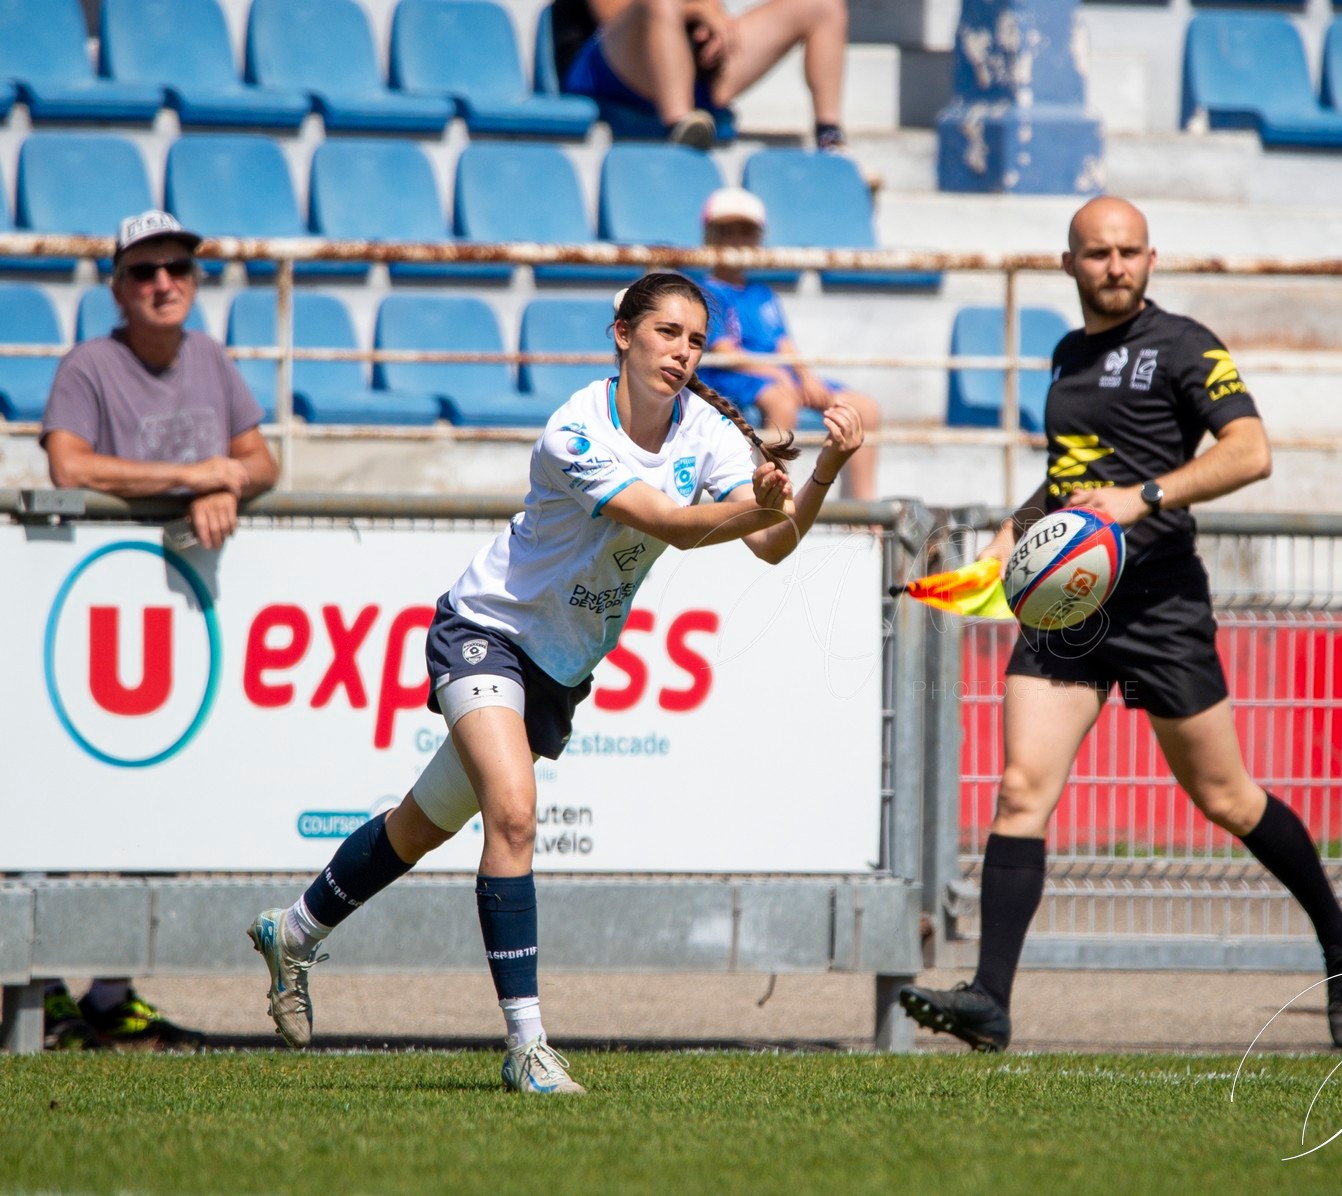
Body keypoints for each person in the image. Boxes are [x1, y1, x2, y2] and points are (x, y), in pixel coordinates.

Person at [247, 273, 863, 1095]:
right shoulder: (576, 428)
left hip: (557, 668)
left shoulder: (706, 432)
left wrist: (823, 472)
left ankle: (291, 932)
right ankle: (527, 1046)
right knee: (513, 814)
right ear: (622, 334)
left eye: (694, 340)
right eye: (666, 333)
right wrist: (759, 503)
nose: (681, 352)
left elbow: (776, 547)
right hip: (485, 632)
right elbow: (676, 529)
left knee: (416, 829)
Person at [897, 198, 1342, 1053]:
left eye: (1128, 253)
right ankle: (991, 1000)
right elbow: (1069, 481)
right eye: (1096, 253)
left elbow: (1250, 451)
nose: (1113, 266)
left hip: (1161, 603)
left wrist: (1145, 497)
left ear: (1150, 259)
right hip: (1070, 605)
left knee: (1226, 798)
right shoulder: (1066, 353)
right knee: (1019, 788)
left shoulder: (1185, 345)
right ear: (1069, 262)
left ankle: (1341, 937)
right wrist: (1002, 550)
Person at [36, 209, 279, 1051]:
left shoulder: (210, 359)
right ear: (117, 287)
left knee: (152, 798)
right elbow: (68, 466)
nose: (164, 283)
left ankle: (104, 992)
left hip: (175, 616)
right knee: (68, 797)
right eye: (145, 272)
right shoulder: (88, 365)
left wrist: (227, 484)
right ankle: (42, 991)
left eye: (178, 268)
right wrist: (194, 476)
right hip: (92, 613)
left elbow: (262, 459)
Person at [696, 187, 882, 500]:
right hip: (734, 377)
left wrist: (806, 376)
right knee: (781, 402)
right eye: (728, 232)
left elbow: (783, 343)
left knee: (863, 408)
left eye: (747, 232)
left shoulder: (762, 293)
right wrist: (777, 374)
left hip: (777, 375)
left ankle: (864, 509)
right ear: (711, 236)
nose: (738, 241)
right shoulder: (705, 291)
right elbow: (724, 351)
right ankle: (773, 500)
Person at [552, 0, 848, 150]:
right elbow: (616, 16)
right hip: (607, 71)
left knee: (821, 6)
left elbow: (712, 11)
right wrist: (694, 12)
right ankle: (682, 128)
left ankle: (830, 137)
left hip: (688, 63)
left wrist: (715, 34)